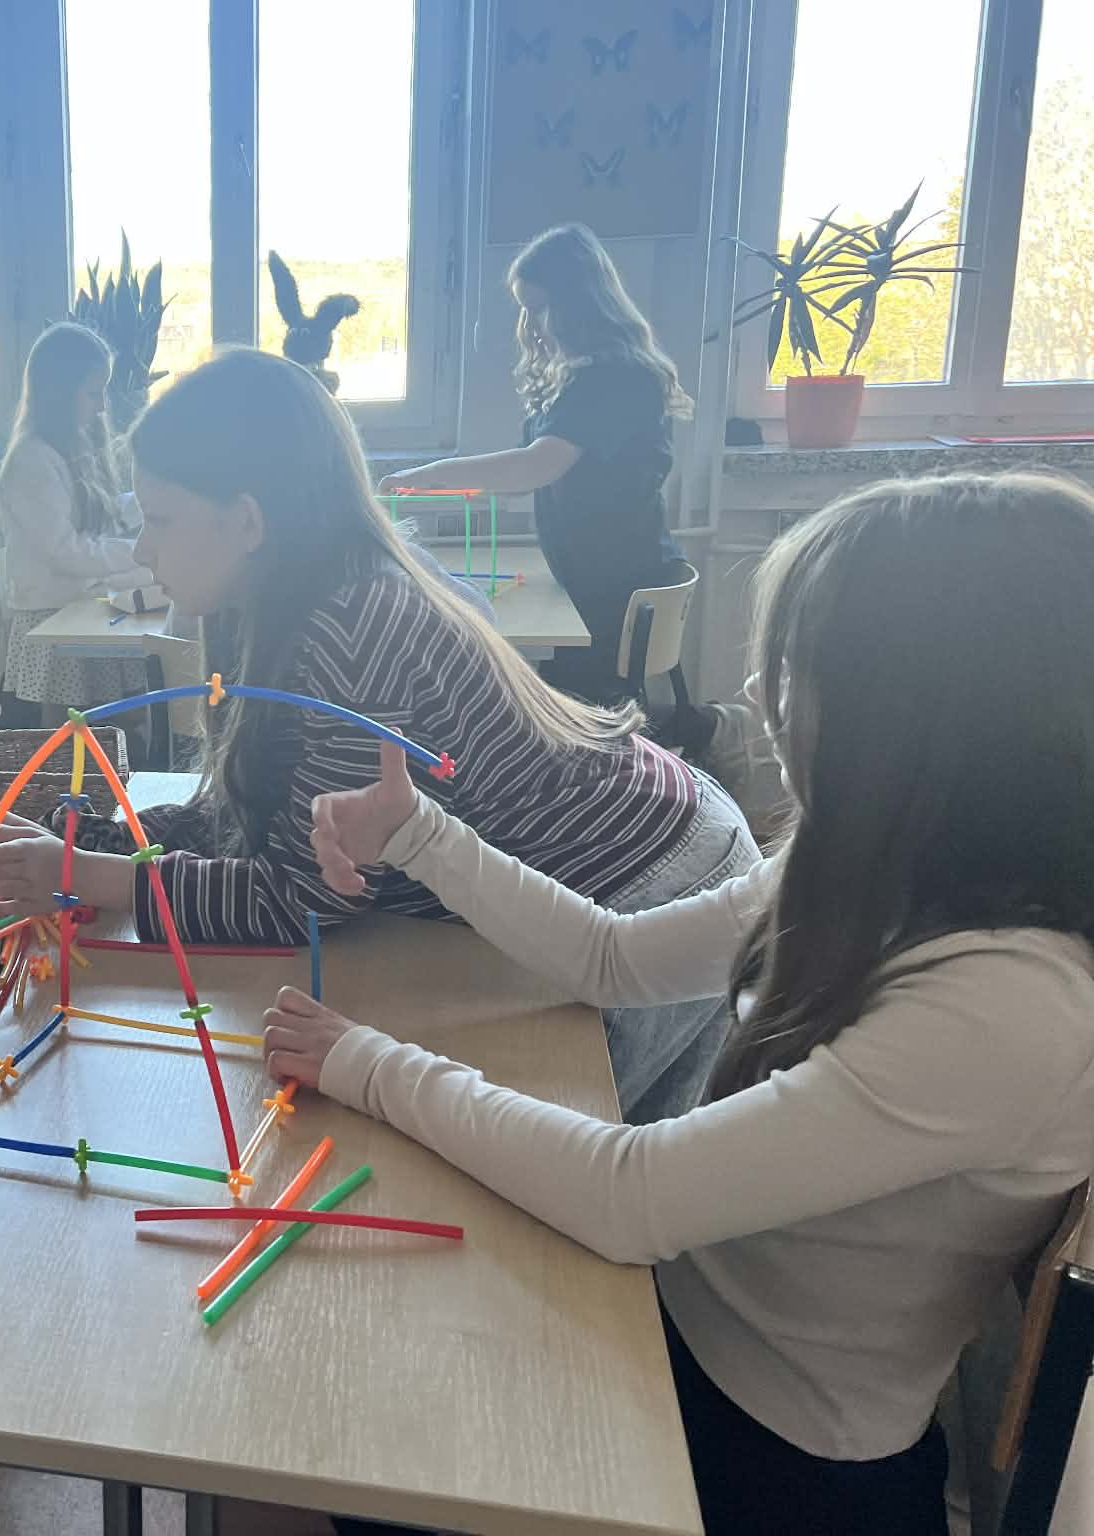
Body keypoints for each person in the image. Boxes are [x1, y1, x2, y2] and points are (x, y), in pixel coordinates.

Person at [271, 472, 1094, 1535]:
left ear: (927, 717)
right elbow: (610, 959)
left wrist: (364, 1061)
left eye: (799, 670)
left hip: (780, 1468)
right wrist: (419, 834)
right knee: (374, 1404)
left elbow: (631, 1197)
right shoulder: (881, 863)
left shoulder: (1011, 1005)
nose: (759, 692)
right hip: (679, 1335)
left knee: (374, 1465)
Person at [0, 348, 753, 1124]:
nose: (140, 548)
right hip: (639, 858)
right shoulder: (280, 597)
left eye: (160, 519)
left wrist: (93, 877)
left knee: (572, 1170)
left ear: (248, 521)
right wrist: (107, 840)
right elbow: (262, 819)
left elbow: (304, 896)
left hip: (651, 886)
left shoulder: (351, 623)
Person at [386, 223, 692, 704]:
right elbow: (531, 471)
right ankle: (700, 725)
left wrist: (427, 476)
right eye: (525, 309)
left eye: (541, 308)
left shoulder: (614, 380)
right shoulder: (584, 379)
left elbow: (533, 468)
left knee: (544, 701)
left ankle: (702, 727)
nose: (530, 325)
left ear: (579, 307)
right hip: (597, 579)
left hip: (617, 585)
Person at [0, 321, 152, 707]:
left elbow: (102, 511)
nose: (102, 406)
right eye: (93, 393)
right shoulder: (32, 460)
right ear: (59, 393)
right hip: (52, 623)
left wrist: (156, 503)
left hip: (82, 611)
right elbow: (68, 553)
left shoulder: (72, 446)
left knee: (120, 721)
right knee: (76, 732)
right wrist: (142, 552)